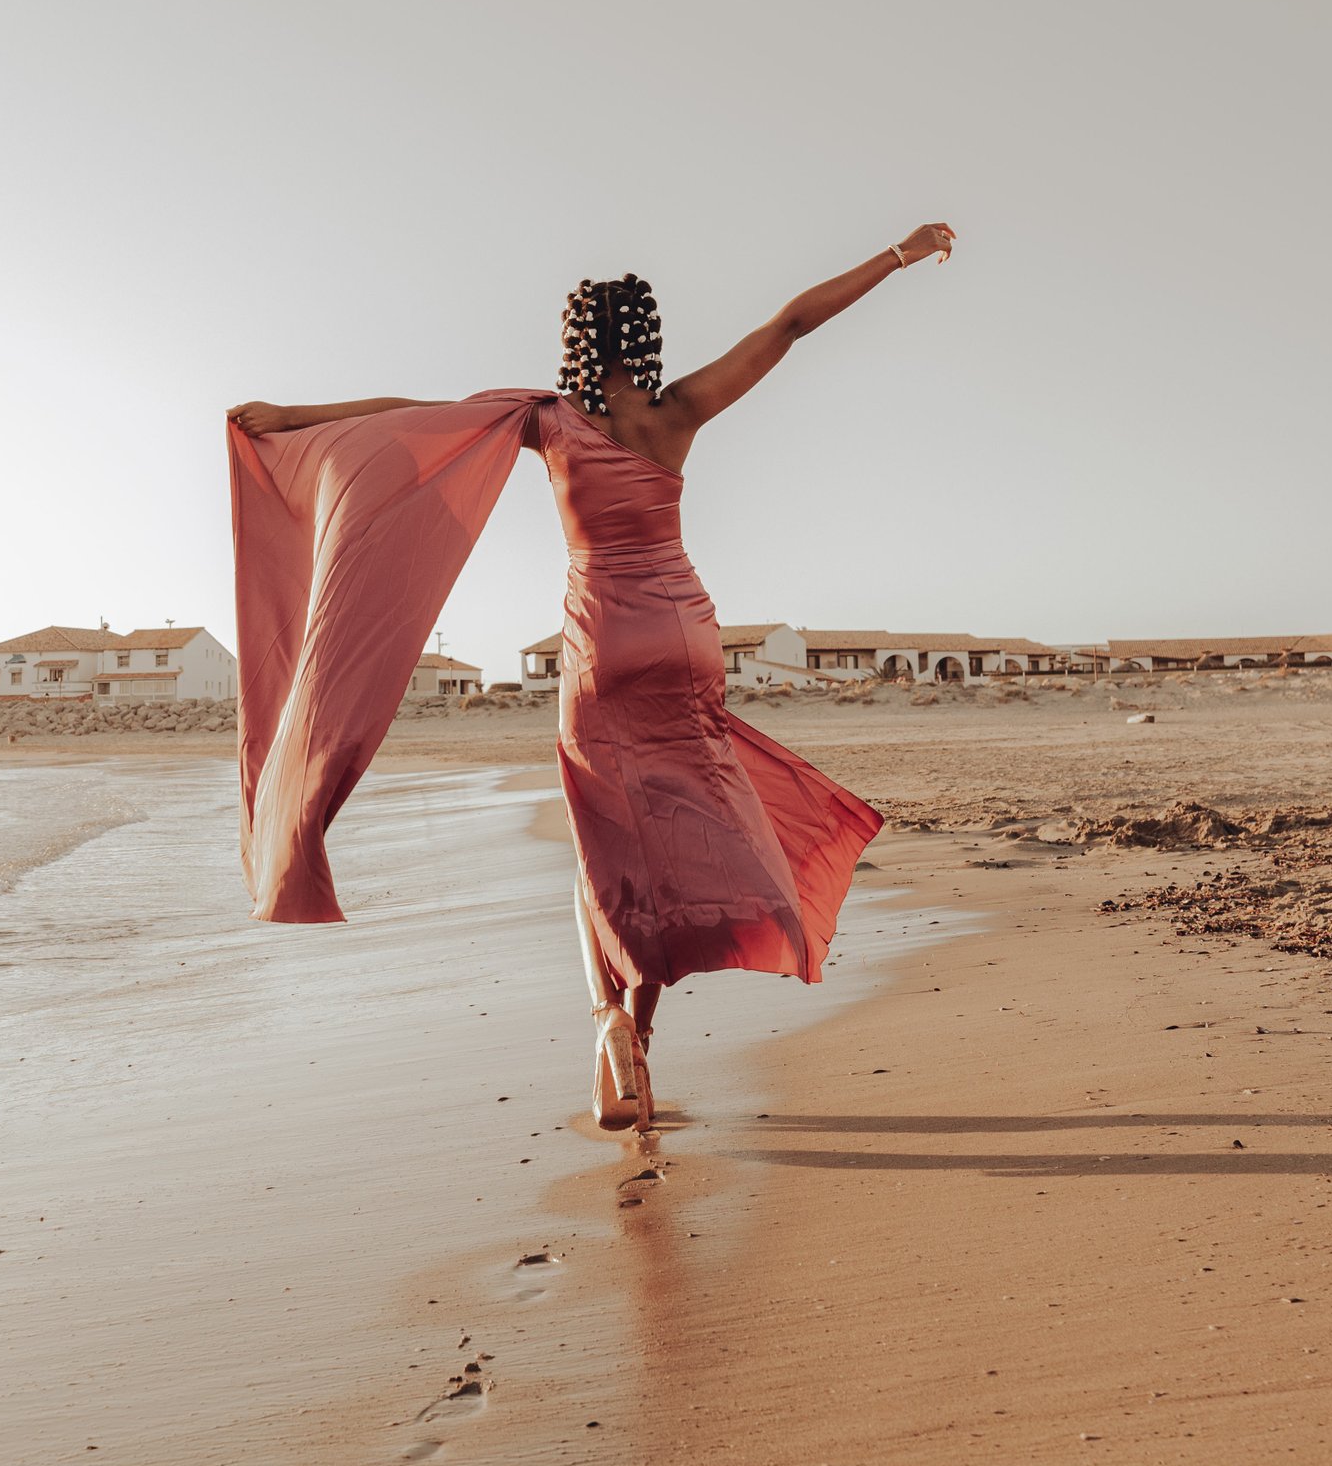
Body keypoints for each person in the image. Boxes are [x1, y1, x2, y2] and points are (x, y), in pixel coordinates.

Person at [227, 223, 956, 1134]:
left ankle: (609, 1021)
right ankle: (641, 1041)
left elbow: (414, 416)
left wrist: (297, 419)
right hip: (684, 639)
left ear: (576, 343)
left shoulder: (547, 420)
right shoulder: (681, 412)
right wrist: (899, 252)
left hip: (603, 649)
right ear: (645, 340)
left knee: (604, 849)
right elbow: (794, 323)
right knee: (671, 840)